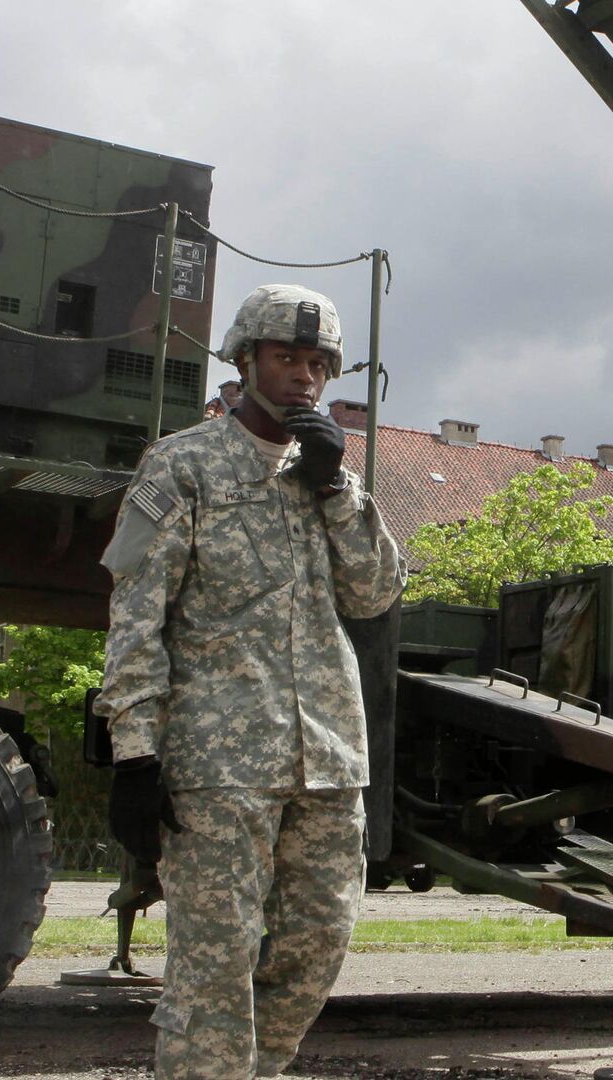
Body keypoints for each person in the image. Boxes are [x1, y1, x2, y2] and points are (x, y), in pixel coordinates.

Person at [95, 283, 404, 1079]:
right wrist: (134, 753)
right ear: (244, 361)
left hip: (328, 761)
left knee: (317, 950)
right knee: (214, 973)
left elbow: (375, 594)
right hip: (216, 766)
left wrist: (337, 488)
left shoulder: (328, 476)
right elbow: (137, 616)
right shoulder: (180, 466)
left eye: (316, 363)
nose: (301, 376)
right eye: (284, 357)